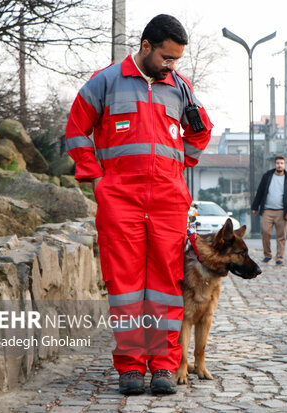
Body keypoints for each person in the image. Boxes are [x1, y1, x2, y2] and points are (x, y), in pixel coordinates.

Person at [64, 14, 212, 396]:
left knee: (165, 285)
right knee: (126, 287)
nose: (172, 65)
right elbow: (76, 128)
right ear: (145, 47)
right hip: (120, 201)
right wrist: (95, 177)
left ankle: (163, 366)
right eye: (166, 57)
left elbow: (201, 131)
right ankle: (130, 366)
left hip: (168, 201)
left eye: (176, 59)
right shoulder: (106, 81)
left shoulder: (180, 87)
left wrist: (180, 163)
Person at [251, 156, 287, 265]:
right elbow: (260, 192)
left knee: (281, 235)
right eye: (277, 163)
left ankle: (280, 257)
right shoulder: (267, 176)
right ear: (274, 164)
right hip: (267, 210)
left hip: (282, 211)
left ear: (284, 165)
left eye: (281, 163)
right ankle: (267, 254)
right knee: (265, 232)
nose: (279, 165)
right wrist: (255, 206)